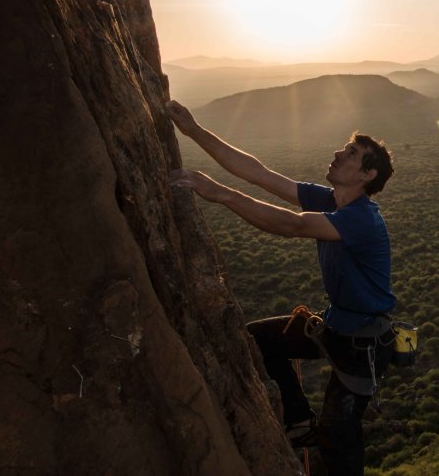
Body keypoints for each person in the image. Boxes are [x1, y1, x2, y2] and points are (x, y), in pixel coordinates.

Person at [165, 99, 396, 475]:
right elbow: (261, 173)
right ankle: (298, 419)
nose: (339, 152)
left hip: (362, 345)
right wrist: (193, 130)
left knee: (339, 439)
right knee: (258, 339)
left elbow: (294, 226)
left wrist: (220, 194)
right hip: (338, 326)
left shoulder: (360, 219)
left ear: (366, 175)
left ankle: (311, 432)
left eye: (351, 153)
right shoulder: (334, 201)